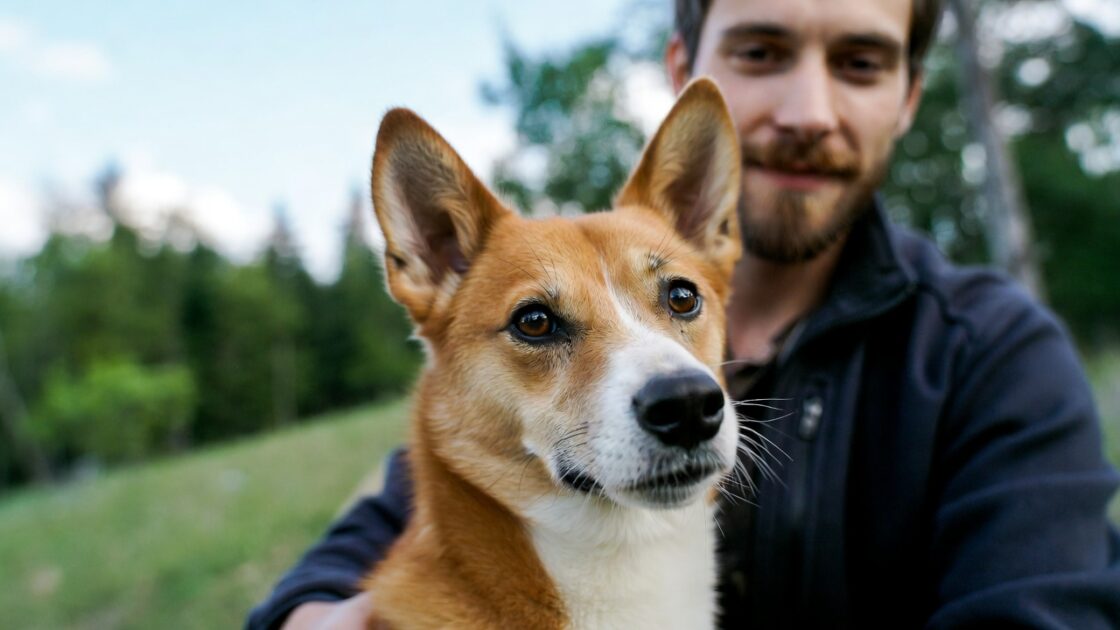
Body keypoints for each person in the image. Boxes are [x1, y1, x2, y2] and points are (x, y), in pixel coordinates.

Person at [247, 0, 1120, 627]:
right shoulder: (483, 375)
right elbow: (422, 485)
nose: (808, 112)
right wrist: (307, 608)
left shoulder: (993, 356)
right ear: (683, 68)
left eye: (860, 62)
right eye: (762, 51)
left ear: (909, 97)